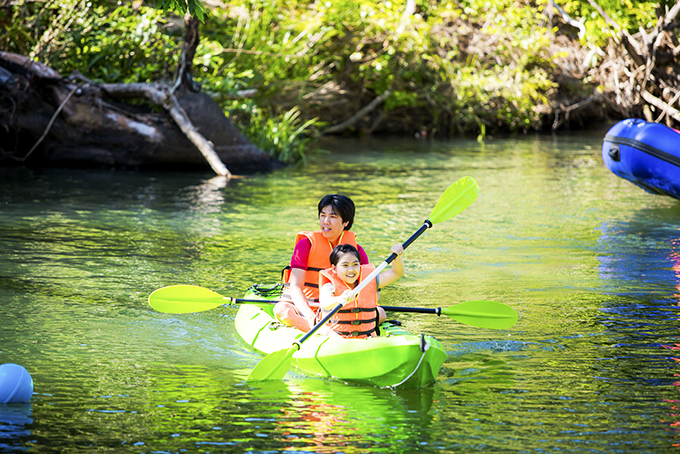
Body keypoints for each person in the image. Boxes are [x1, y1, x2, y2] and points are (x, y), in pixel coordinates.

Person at [273, 194, 369, 332]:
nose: (326, 221)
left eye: (333, 217)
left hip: (336, 305)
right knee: (282, 311)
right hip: (304, 305)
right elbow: (295, 286)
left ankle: (336, 329)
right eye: (323, 215)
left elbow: (368, 288)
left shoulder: (356, 252)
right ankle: (321, 331)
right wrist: (310, 316)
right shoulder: (305, 245)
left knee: (380, 313)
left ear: (346, 222)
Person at [317, 243, 404, 338]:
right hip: (338, 338)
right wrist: (340, 298)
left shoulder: (368, 281)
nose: (351, 270)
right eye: (345, 265)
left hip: (366, 337)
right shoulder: (329, 285)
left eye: (355, 264)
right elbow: (325, 303)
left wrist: (397, 257)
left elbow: (397, 272)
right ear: (334, 269)